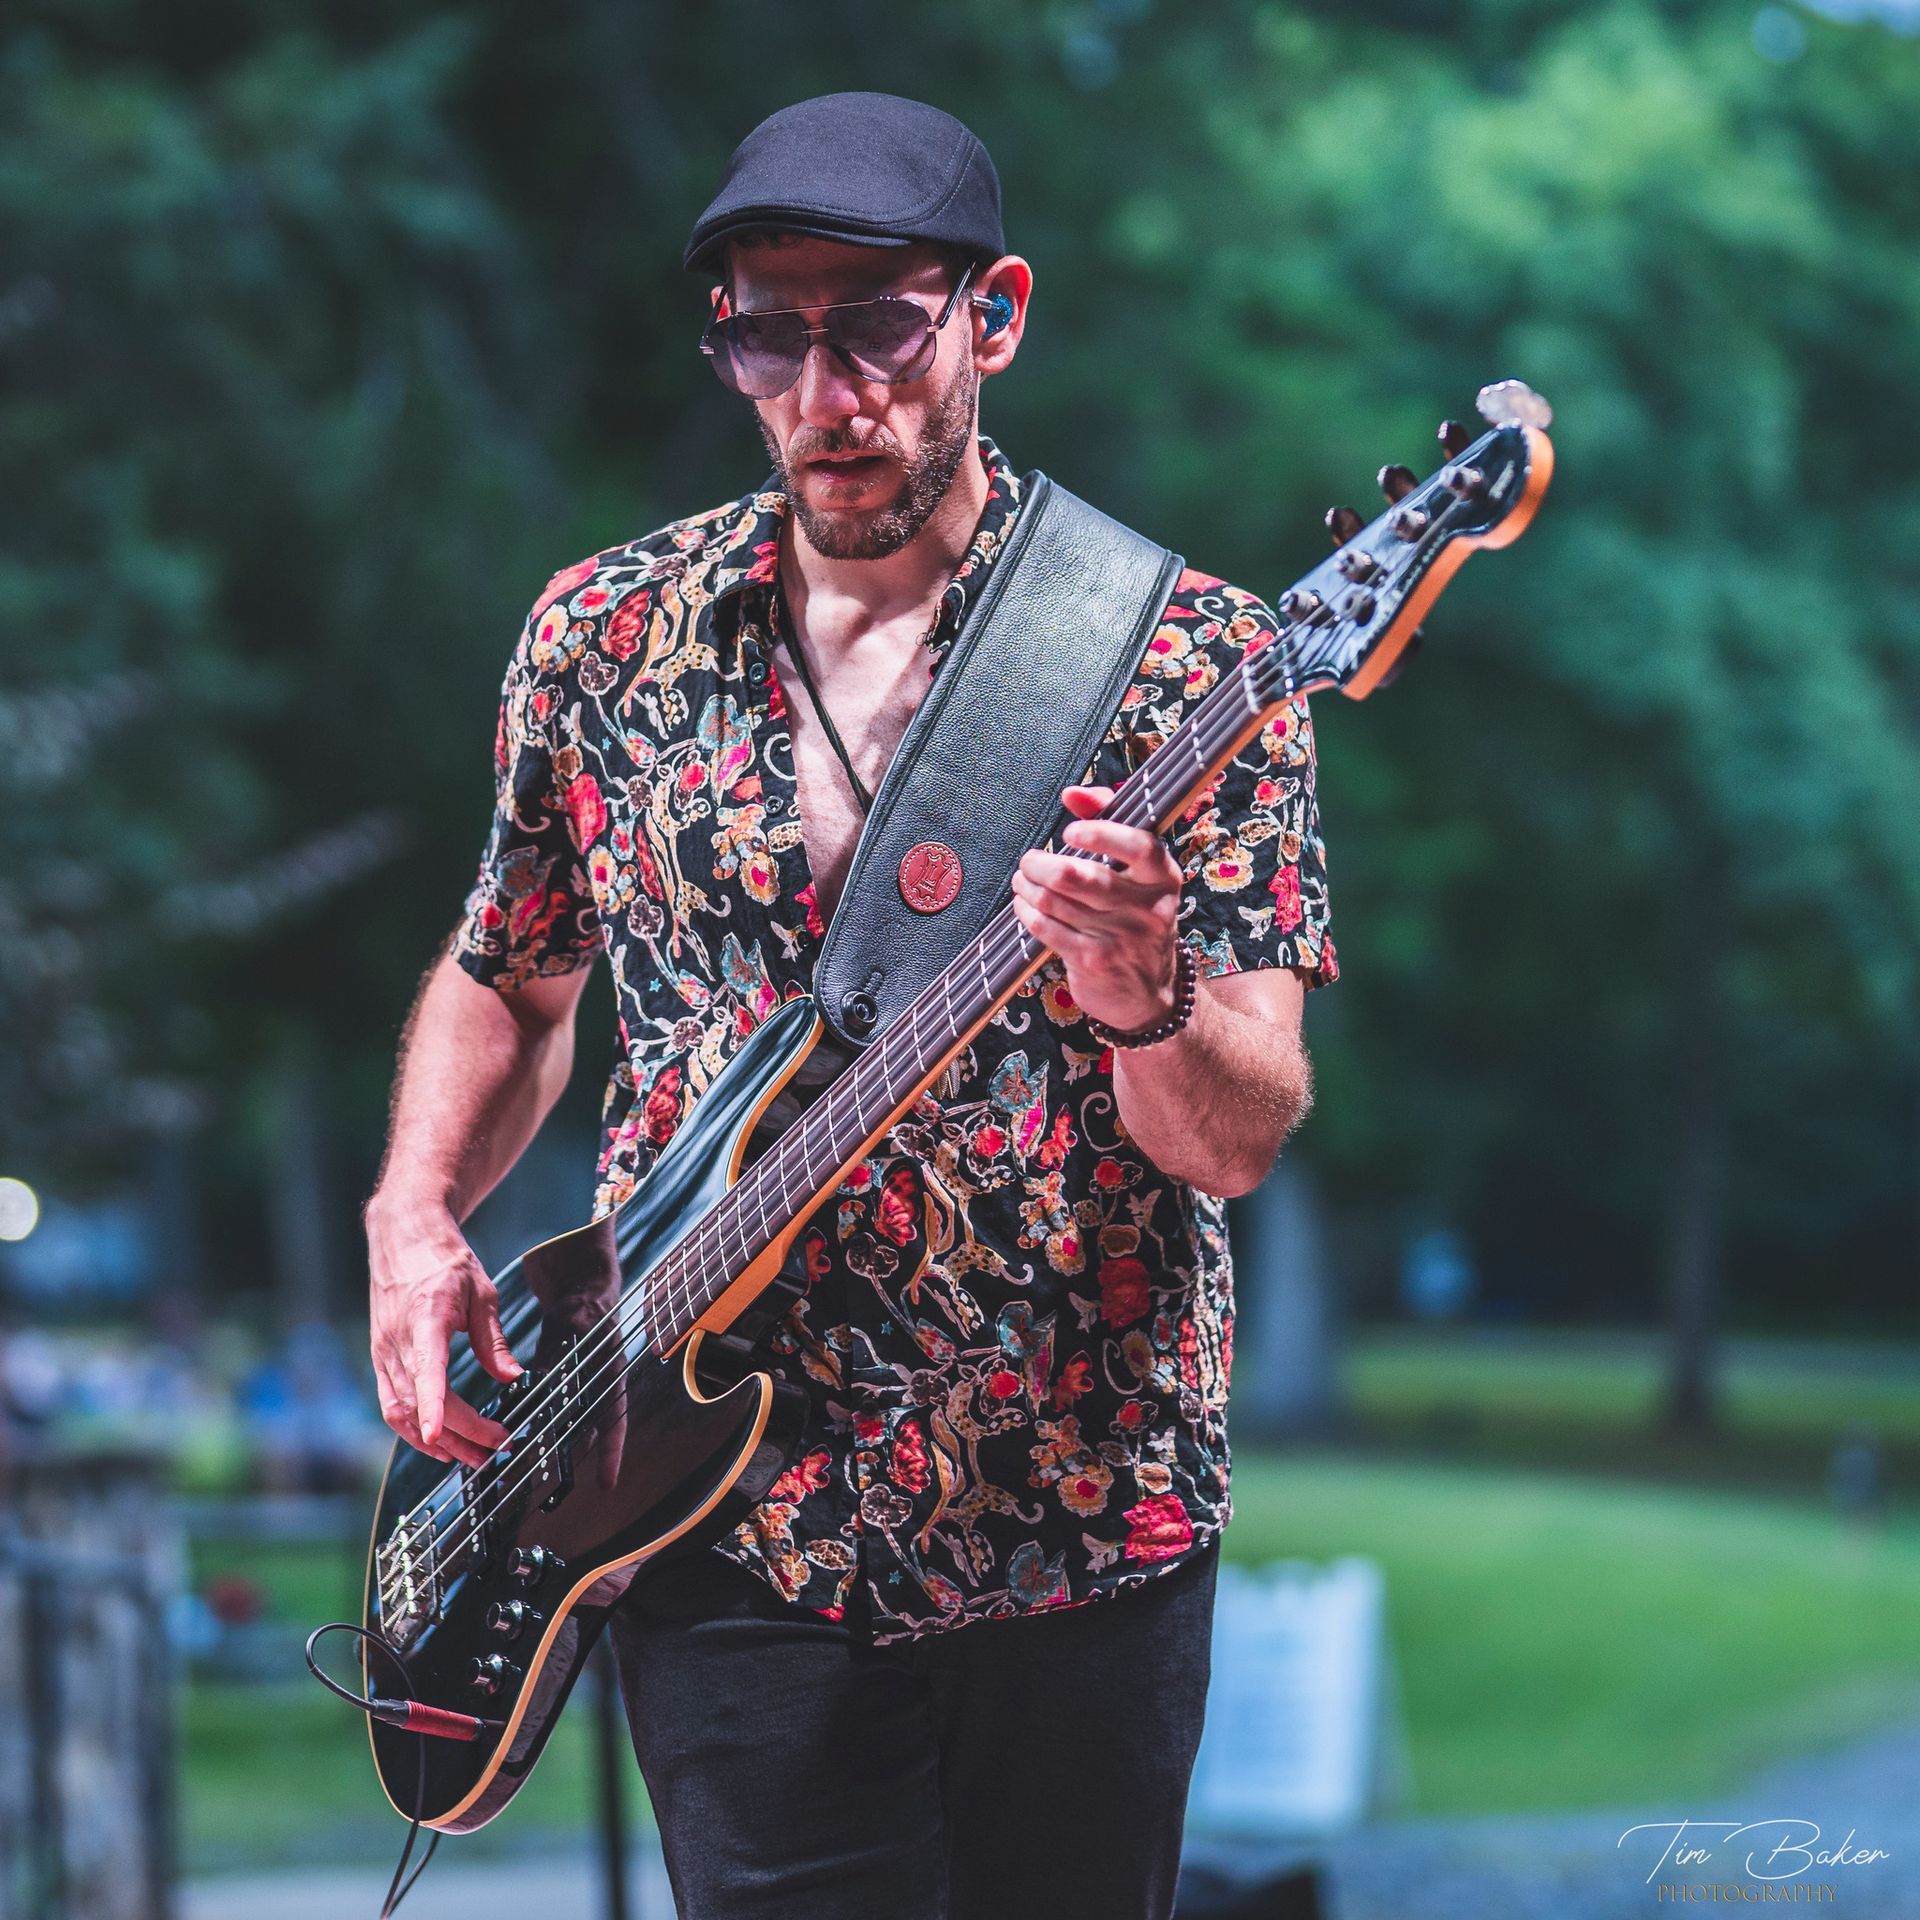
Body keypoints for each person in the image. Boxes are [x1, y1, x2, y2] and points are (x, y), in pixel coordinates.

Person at [365, 90, 1337, 1920]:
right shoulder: (605, 640)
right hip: (709, 1509)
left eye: (879, 325)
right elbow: (511, 974)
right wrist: (414, 1217)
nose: (829, 392)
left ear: (997, 314)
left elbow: (1245, 1125)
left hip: (1083, 1516)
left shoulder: (1188, 659)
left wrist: (1144, 996)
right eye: (767, 331)